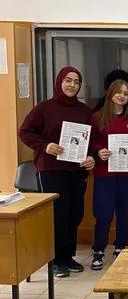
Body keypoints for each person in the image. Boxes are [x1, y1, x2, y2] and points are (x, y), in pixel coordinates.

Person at [19, 67, 95, 278]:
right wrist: (45, 146)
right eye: (68, 80)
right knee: (57, 215)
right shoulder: (44, 108)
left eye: (76, 82)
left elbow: (90, 139)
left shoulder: (84, 110)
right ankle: (55, 260)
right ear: (59, 82)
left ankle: (68, 256)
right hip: (51, 169)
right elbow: (24, 132)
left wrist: (91, 156)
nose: (72, 85)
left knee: (75, 213)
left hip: (76, 170)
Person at [90, 80, 128, 270]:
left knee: (124, 212)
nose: (122, 96)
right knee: (103, 213)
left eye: (126, 93)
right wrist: (98, 151)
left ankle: (121, 247)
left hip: (127, 173)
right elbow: (90, 142)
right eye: (118, 92)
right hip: (105, 173)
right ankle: (98, 250)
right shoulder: (97, 117)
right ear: (111, 94)